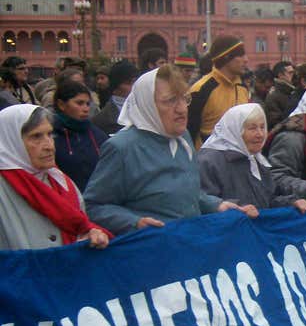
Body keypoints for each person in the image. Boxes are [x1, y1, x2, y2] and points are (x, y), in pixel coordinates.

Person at [84, 65, 257, 236]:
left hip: (188, 245)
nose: (182, 109)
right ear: (147, 105)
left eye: (184, 99)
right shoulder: (121, 148)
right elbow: (94, 205)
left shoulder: (183, 138)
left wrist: (218, 205)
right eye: (170, 101)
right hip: (150, 252)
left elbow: (188, 193)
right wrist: (134, 222)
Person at [0, 104, 111, 250]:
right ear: (11, 141)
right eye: (36, 136)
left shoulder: (61, 181)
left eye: (50, 134)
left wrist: (90, 235)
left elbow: (80, 227)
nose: (49, 146)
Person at [198, 103, 306, 213]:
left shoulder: (255, 159)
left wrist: (292, 202)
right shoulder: (209, 161)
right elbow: (203, 203)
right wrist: (239, 209)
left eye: (262, 127)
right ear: (235, 130)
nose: (260, 134)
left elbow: (268, 200)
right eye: (252, 128)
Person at [187, 35, 250, 148]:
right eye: (240, 55)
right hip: (208, 160)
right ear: (226, 58)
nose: (246, 60)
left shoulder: (242, 88)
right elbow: (189, 132)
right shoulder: (201, 89)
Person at [52, 79, 108, 192]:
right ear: (61, 105)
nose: (86, 109)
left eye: (87, 104)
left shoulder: (97, 134)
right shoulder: (51, 135)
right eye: (79, 103)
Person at [91, 59, 139, 136]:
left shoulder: (147, 109)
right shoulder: (101, 120)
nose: (135, 86)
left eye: (137, 81)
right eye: (129, 83)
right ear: (115, 87)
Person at [264, 61, 295, 129]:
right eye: (290, 73)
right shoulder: (273, 96)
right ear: (280, 75)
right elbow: (275, 122)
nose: (294, 75)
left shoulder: (293, 91)